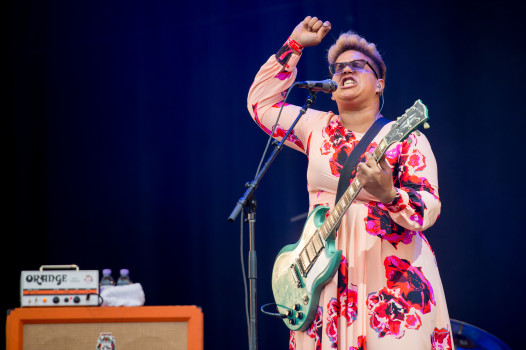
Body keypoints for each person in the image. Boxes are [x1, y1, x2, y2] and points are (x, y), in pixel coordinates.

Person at [247, 16, 453, 350]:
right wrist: (295, 46)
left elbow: (427, 209)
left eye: (358, 65)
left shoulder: (405, 139)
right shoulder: (314, 127)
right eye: (338, 67)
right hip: (320, 279)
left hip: (390, 285)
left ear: (380, 83)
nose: (345, 70)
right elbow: (261, 104)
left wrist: (389, 194)